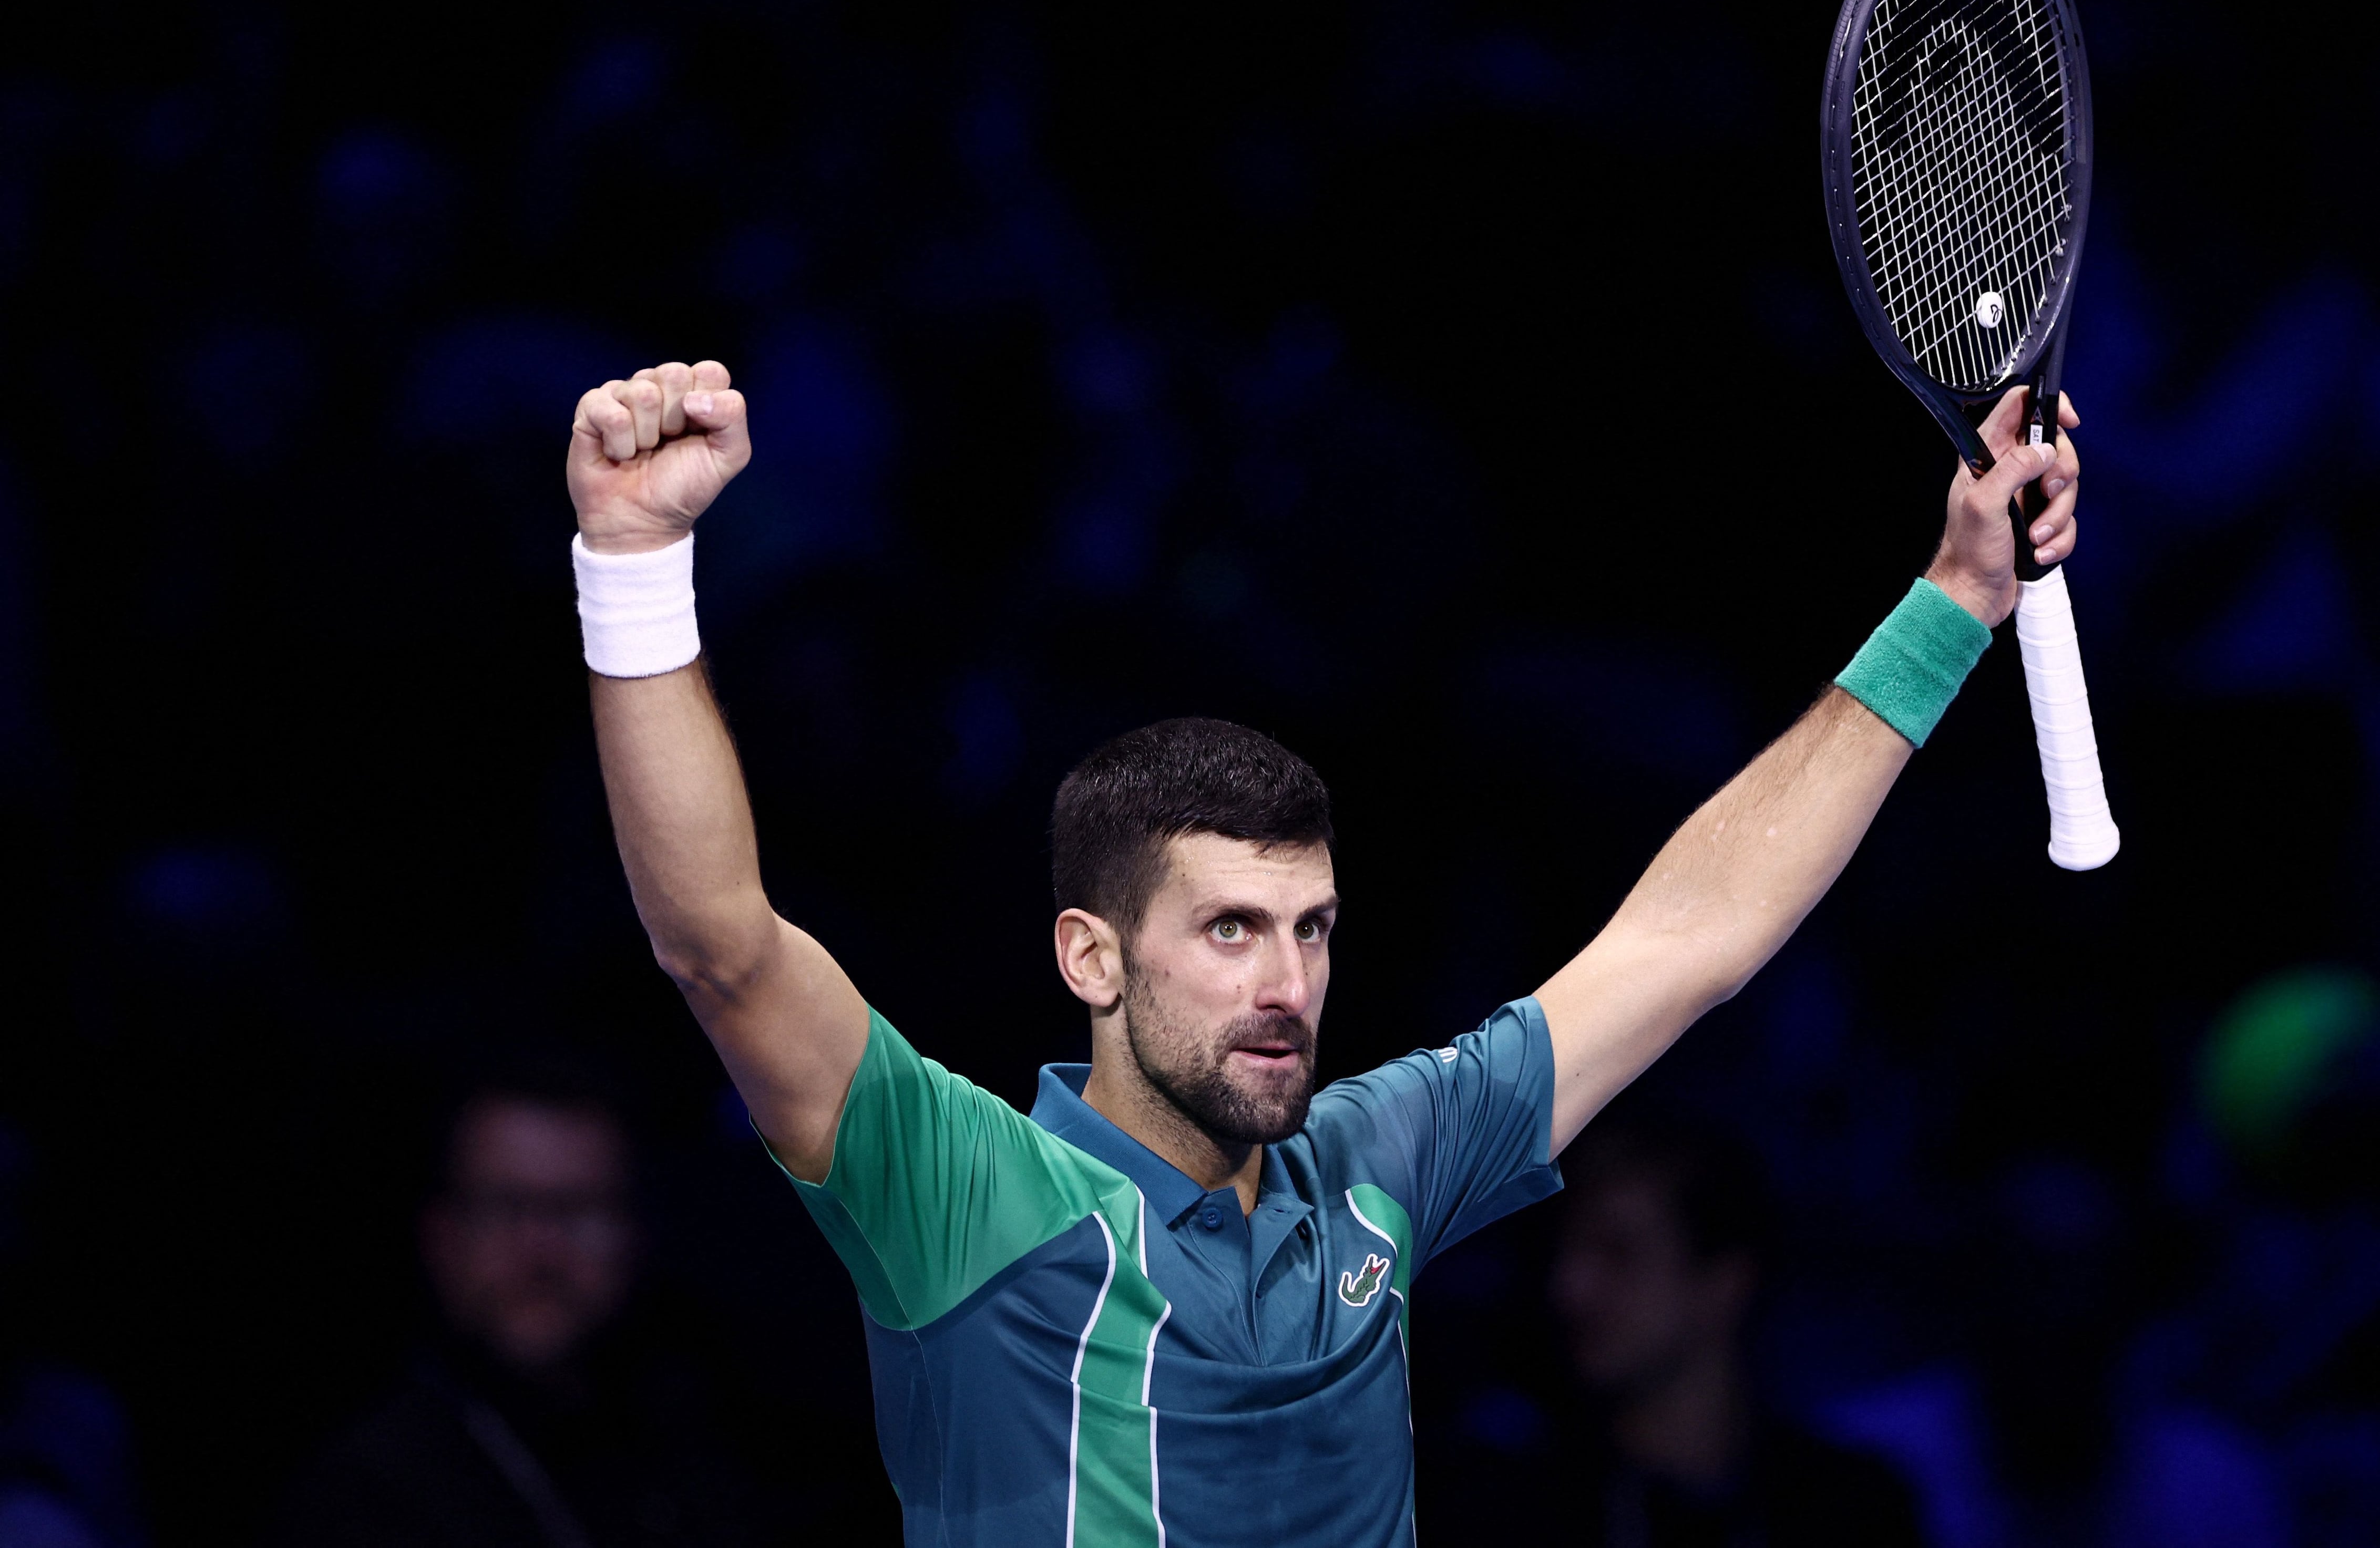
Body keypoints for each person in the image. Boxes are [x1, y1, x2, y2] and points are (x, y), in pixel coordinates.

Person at [562, 358, 2079, 1547]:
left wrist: (1952, 600)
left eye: (1312, 930)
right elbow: (722, 945)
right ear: (1092, 957)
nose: (1287, 983)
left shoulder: (1377, 1159)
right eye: (1230, 929)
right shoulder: (966, 1191)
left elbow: (1692, 934)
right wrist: (632, 560)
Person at [282, 1072, 759, 1547]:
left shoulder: (717, 1455)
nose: (540, 1249)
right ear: (441, 1233)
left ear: (636, 1231)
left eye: (579, 1208)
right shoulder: (364, 1493)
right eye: (503, 1205)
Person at [1543, 1122, 1922, 1546]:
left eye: (1619, 1252)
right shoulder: (1520, 1507)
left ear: (1726, 1282)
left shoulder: (1850, 1510)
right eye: (1566, 1249)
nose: (1571, 1285)